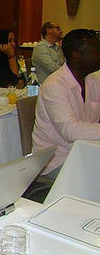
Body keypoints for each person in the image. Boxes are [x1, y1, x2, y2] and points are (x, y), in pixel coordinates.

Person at [32, 29, 100, 178]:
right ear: (77, 55)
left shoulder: (92, 81)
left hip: (84, 152)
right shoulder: (55, 85)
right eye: (96, 50)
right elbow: (71, 131)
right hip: (56, 161)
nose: (99, 55)